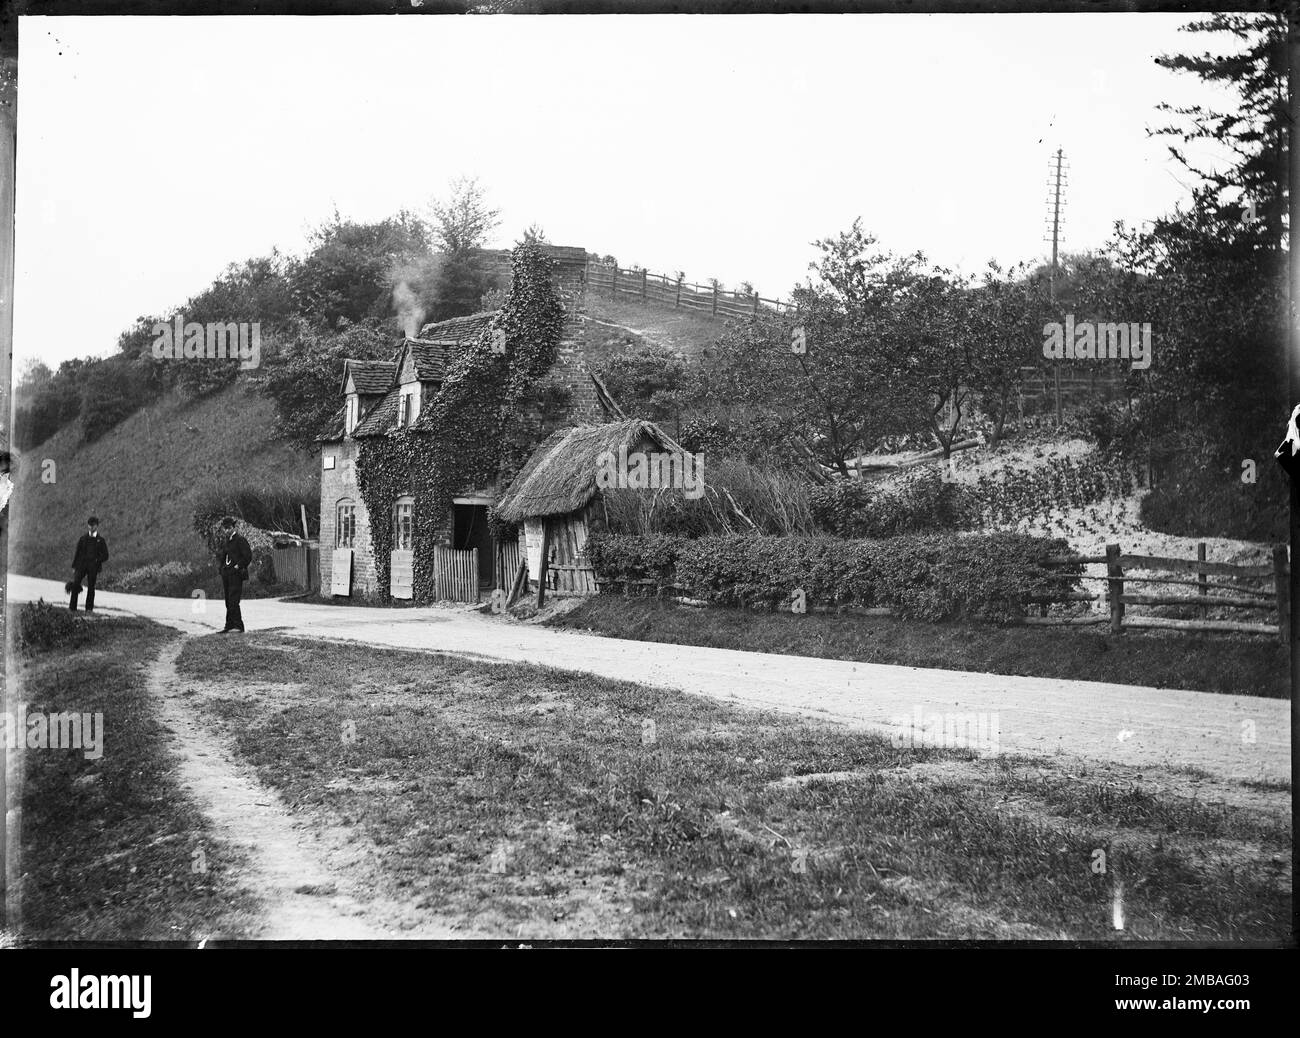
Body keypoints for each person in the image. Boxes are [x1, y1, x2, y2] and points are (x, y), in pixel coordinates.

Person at [218, 516, 252, 633]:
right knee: (228, 601)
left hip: (236, 574)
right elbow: (223, 557)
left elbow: (248, 556)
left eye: (229, 528)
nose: (227, 530)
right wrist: (222, 569)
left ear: (233, 527)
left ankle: (238, 626)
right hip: (226, 574)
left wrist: (238, 566)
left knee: (234, 600)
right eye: (225, 528)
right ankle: (229, 625)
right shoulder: (227, 541)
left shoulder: (240, 540)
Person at [69, 516, 109, 613]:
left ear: (97, 526)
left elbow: (106, 555)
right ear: (87, 526)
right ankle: (72, 608)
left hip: (93, 567)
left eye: (93, 526)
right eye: (90, 525)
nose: (91, 528)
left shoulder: (101, 540)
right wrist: (74, 566)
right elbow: (77, 553)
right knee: (75, 584)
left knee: (91, 587)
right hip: (81, 565)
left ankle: (89, 609)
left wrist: (97, 560)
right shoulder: (83, 539)